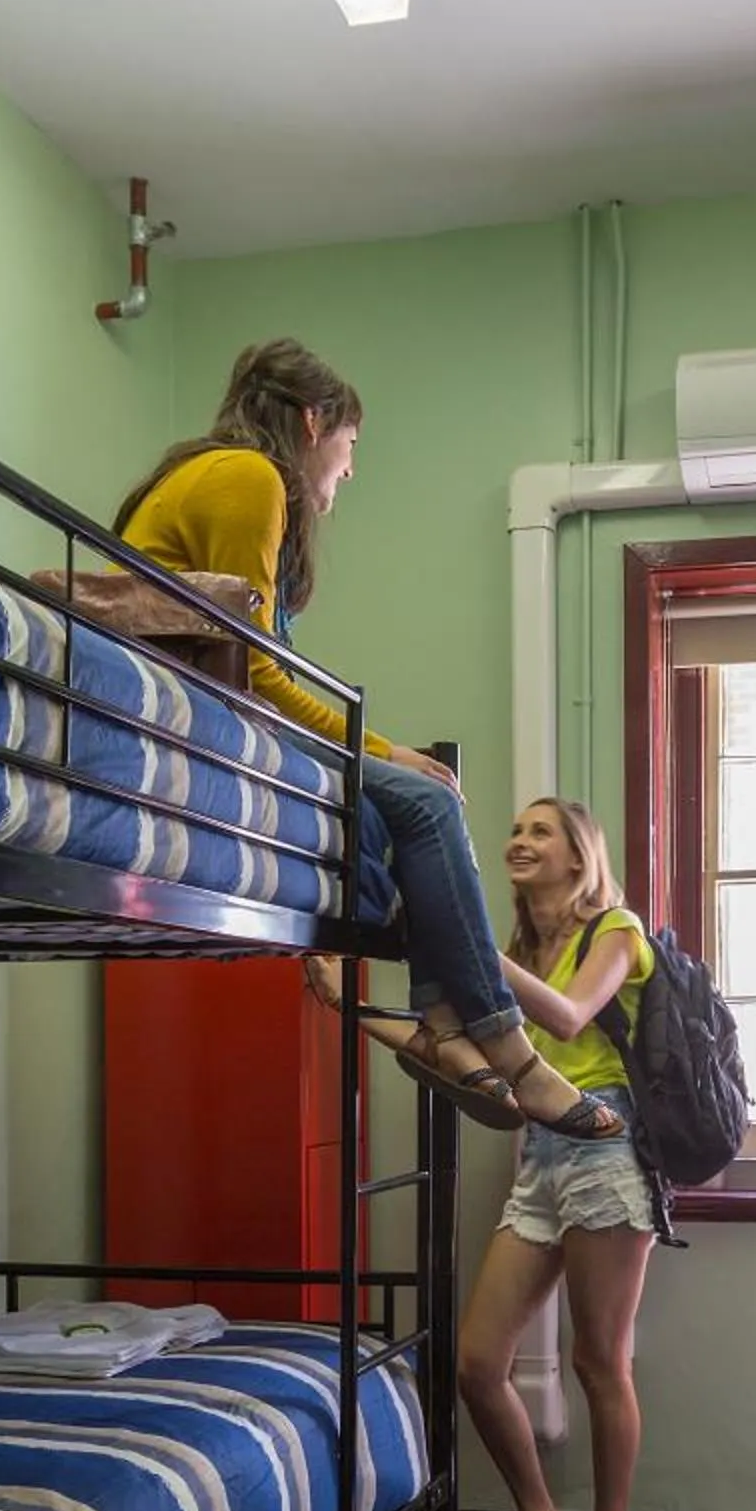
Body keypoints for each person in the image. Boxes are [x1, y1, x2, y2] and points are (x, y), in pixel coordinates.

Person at [112, 339, 619, 1143]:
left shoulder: (217, 475)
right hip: (194, 723)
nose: (348, 471)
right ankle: (509, 1050)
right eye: (350, 448)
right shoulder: (248, 478)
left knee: (385, 828)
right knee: (426, 802)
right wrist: (384, 752)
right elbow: (258, 680)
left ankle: (449, 1027)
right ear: (314, 423)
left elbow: (249, 667)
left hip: (192, 714)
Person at [449, 797, 659, 1511]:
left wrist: (472, 948)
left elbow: (570, 1015)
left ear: (580, 857)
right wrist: (357, 1012)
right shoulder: (518, 948)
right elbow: (470, 1058)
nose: (520, 841)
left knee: (598, 1360)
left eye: (542, 832)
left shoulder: (617, 928)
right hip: (539, 1154)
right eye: (517, 828)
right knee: (476, 1362)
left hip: (606, 1146)